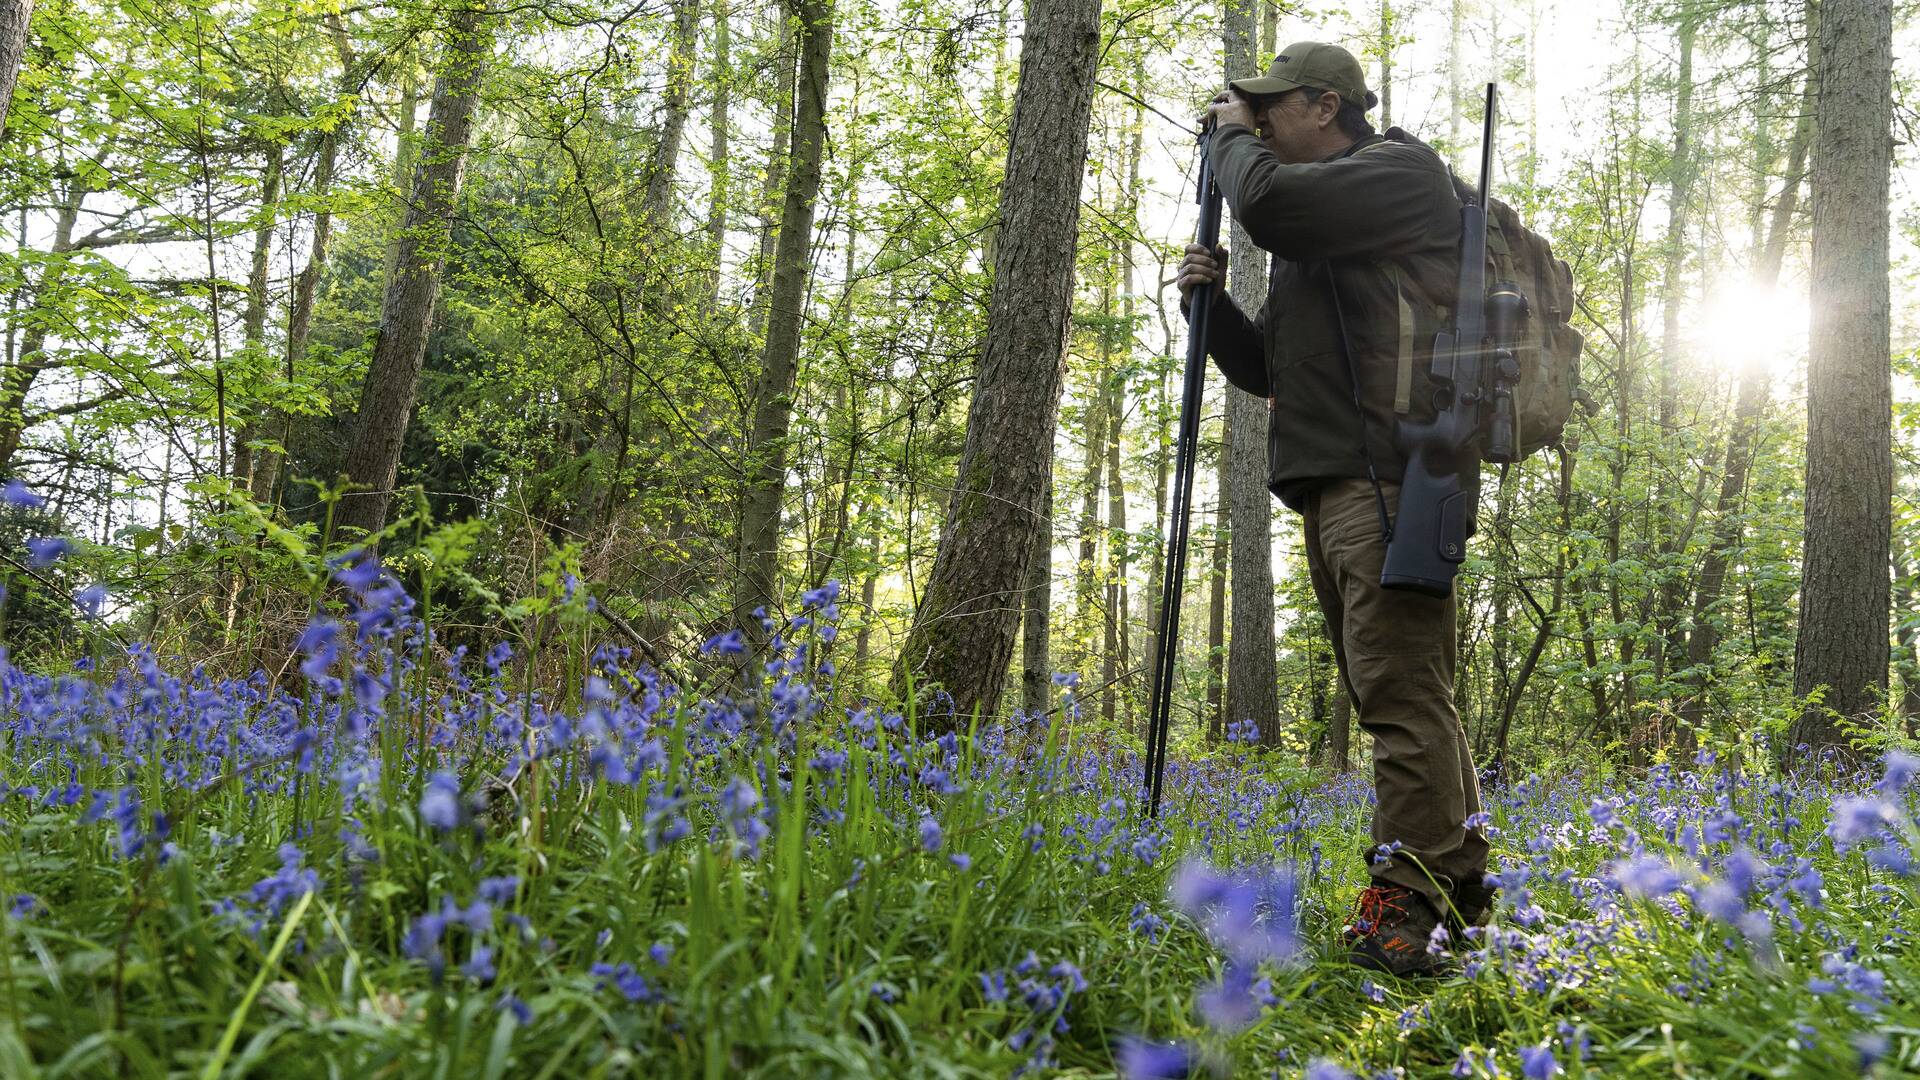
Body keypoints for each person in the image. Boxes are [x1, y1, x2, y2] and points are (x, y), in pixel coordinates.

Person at [1176, 41, 1495, 977]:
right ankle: (1458, 889)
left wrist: (1229, 143)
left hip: (1394, 477)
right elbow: (1271, 371)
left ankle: (1407, 909)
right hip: (1335, 481)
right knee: (1395, 688)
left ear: (1326, 105)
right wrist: (1212, 311)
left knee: (1398, 693)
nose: (1260, 120)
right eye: (1253, 110)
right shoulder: (1325, 241)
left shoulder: (1398, 175)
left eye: (1272, 108)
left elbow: (1268, 203)